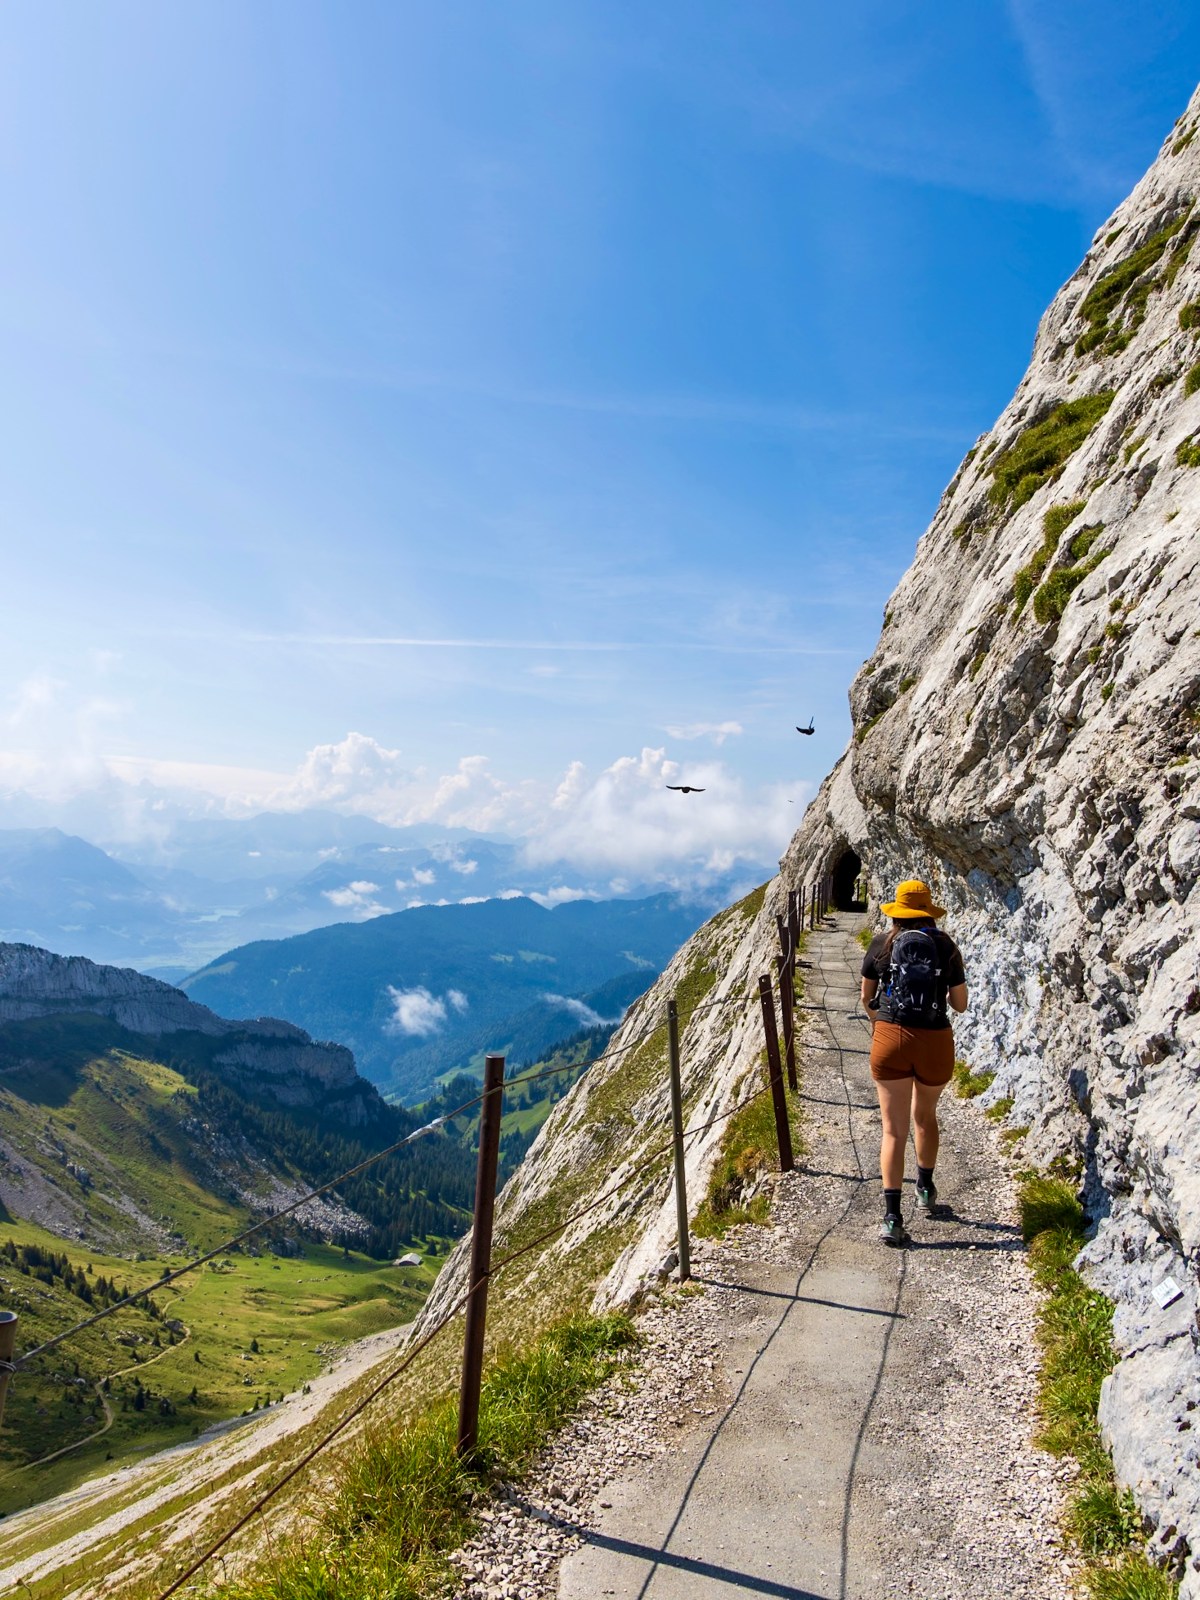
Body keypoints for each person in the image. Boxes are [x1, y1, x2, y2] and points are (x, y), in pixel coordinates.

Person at [860, 879, 968, 1247]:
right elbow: (960, 1004)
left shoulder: (881, 943)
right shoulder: (946, 945)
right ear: (929, 912)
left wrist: (883, 1026)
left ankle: (892, 1218)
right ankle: (925, 1187)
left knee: (893, 1130)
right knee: (925, 1117)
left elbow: (867, 997)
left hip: (890, 1039)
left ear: (897, 912)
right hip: (935, 1040)